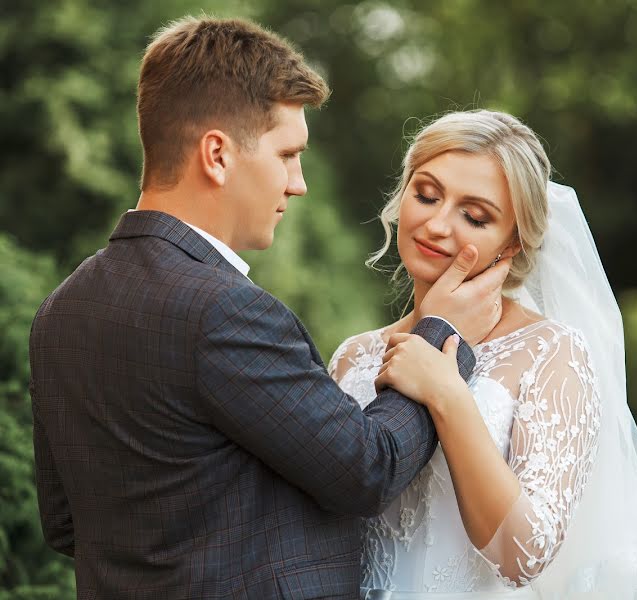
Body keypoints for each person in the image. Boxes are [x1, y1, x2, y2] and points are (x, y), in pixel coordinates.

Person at [28, 17, 511, 599]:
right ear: (218, 155)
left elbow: (63, 521)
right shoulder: (223, 312)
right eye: (287, 154)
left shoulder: (60, 311)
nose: (298, 182)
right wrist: (443, 334)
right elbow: (367, 471)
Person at [329, 110, 637, 599]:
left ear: (511, 242)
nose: (436, 224)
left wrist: (447, 392)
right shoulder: (352, 357)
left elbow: (524, 556)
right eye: (426, 194)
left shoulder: (551, 353)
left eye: (474, 216)